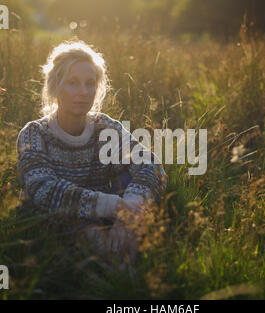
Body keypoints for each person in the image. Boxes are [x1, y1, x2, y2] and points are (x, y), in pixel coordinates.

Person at [16, 40, 167, 269]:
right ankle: (117, 277)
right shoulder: (35, 134)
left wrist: (130, 210)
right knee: (100, 247)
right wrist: (115, 205)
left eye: (90, 83)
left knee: (131, 181)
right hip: (63, 220)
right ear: (55, 86)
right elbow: (43, 188)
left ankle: (128, 283)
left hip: (112, 213)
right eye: (73, 83)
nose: (83, 92)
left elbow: (151, 165)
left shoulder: (105, 128)